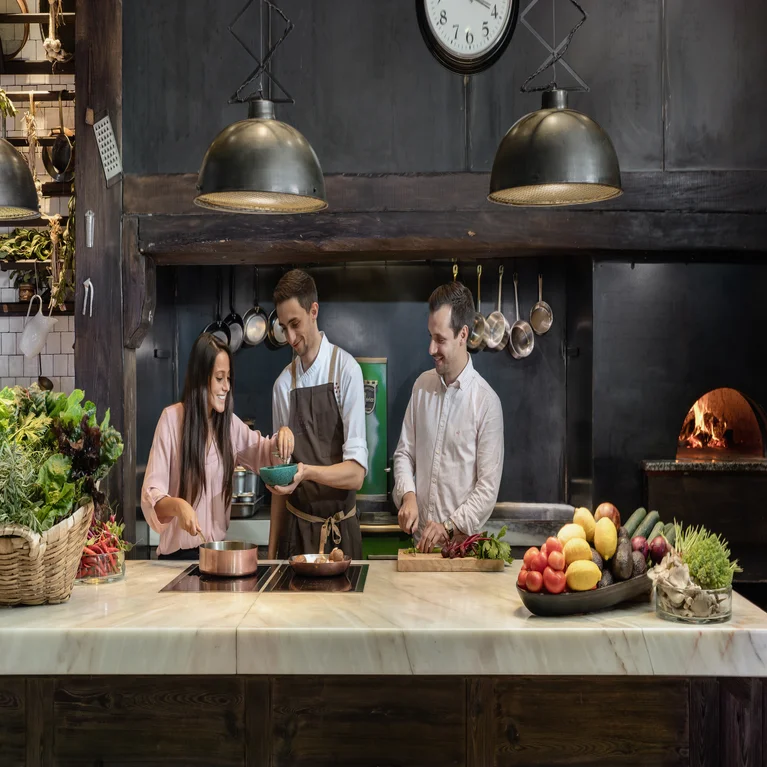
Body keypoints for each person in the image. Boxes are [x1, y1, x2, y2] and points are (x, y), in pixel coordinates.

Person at [142, 333, 294, 559]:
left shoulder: (230, 425)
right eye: (219, 378)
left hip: (215, 556)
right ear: (201, 378)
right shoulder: (171, 421)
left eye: (229, 379)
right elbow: (152, 496)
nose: (226, 387)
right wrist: (179, 506)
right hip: (175, 560)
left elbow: (267, 455)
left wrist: (284, 437)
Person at [393, 281, 504, 553]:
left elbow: (487, 490)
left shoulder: (486, 403)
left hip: (462, 553)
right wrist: (408, 496)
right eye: (430, 336)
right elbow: (404, 454)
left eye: (440, 339)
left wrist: (449, 526)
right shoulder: (421, 387)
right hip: (420, 549)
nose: (431, 349)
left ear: (463, 334)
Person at [267, 269, 368, 560]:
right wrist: (271, 557)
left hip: (342, 538)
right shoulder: (283, 386)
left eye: (295, 324)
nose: (289, 337)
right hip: (296, 538)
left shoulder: (346, 371)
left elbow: (356, 474)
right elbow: (279, 481)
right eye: (283, 327)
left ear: (314, 311)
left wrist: (307, 472)